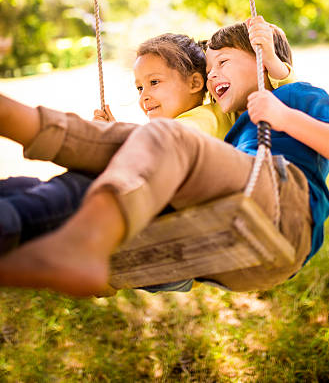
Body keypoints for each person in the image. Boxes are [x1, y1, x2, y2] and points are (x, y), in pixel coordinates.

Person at [0, 18, 329, 297]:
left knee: (164, 138)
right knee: (124, 147)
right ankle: (18, 199)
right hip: (228, 240)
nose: (213, 73)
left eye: (223, 63)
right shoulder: (234, 125)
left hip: (285, 210)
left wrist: (280, 99)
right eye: (210, 68)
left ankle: (86, 237)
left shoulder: (292, 96)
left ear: (264, 60)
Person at [0, 19, 292, 257]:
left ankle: (12, 218)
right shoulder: (159, 130)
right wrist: (115, 131)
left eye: (154, 82)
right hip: (137, 188)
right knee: (37, 187)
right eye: (139, 88)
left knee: (73, 193)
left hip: (157, 205)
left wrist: (270, 58)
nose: (145, 95)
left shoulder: (222, 113)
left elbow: (279, 88)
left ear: (195, 83)